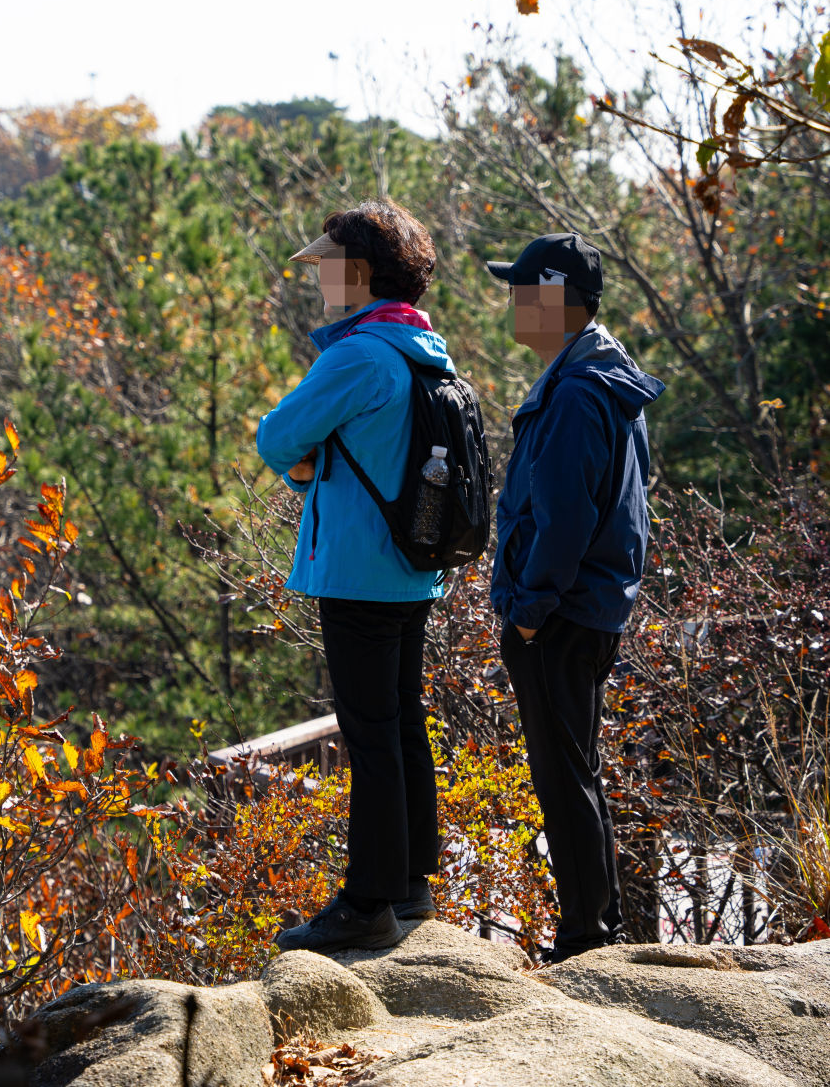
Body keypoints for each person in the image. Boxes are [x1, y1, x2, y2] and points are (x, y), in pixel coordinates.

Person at [256, 199, 454, 954]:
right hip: (411, 566)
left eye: (327, 264)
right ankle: (411, 886)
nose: (317, 277)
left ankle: (368, 900)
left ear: (361, 272)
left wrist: (307, 472)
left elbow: (279, 436)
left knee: (369, 736)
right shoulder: (424, 349)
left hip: (358, 570)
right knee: (403, 725)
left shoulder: (357, 354)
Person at [486, 231, 665, 963]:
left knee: (564, 779)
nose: (512, 304)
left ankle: (587, 939)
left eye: (522, 291)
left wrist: (528, 612)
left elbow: (565, 517)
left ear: (555, 299)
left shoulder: (575, 392)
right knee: (576, 771)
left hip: (558, 613)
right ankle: (599, 930)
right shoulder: (603, 376)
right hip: (587, 606)